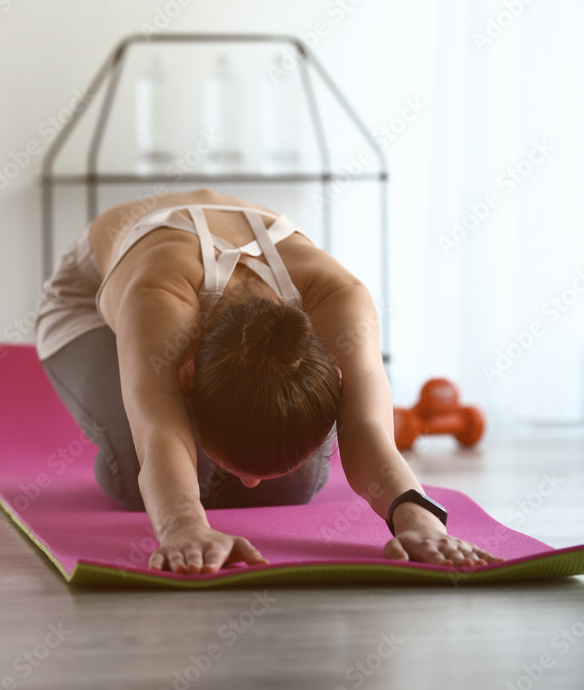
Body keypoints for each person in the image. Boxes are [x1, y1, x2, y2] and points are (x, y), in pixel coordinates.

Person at [34, 187, 503, 574]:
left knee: (291, 488)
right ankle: (150, 466)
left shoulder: (340, 298)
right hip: (87, 304)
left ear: (335, 376)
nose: (250, 483)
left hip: (224, 295)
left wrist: (419, 520)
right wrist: (183, 527)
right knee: (147, 485)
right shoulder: (156, 295)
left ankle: (217, 461)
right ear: (187, 377)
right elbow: (158, 430)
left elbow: (367, 429)